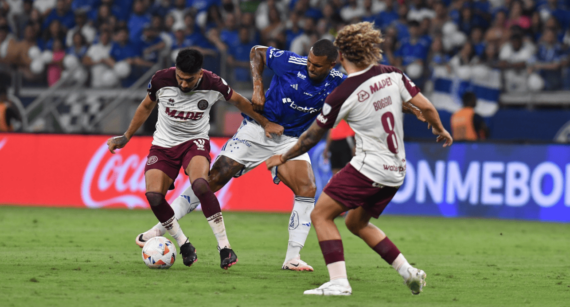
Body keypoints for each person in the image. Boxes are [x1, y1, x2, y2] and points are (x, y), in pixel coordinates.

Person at [266, 22, 452, 296]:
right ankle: (408, 272)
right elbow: (426, 106)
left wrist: (282, 156)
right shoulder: (393, 74)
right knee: (355, 223)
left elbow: (309, 138)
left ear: (340, 56)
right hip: (396, 170)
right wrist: (439, 128)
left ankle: (339, 282)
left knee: (320, 214)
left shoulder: (342, 92)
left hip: (369, 167)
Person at [136, 39, 347, 272]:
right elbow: (257, 51)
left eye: (317, 66)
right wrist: (258, 88)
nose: (310, 67)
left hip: (289, 140)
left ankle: (292, 258)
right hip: (256, 130)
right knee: (211, 180)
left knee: (307, 189)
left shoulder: (340, 84)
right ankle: (159, 228)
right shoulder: (290, 62)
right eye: (309, 61)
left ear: (332, 65)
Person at [107, 49, 283, 270]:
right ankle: (184, 244)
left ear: (200, 74)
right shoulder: (161, 79)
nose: (183, 83)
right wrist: (126, 136)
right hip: (163, 145)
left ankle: (225, 247)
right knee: (153, 195)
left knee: (201, 184)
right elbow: (145, 106)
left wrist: (265, 123)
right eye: (180, 77)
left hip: (194, 142)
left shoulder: (214, 83)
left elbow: (240, 102)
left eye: (188, 80)